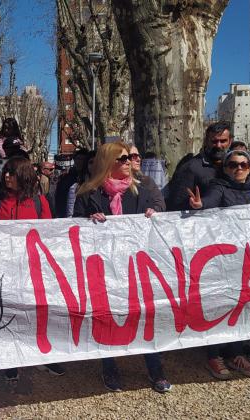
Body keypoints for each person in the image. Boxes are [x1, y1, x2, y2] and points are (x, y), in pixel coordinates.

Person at [72, 142, 170, 392]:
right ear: (107, 162)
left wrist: (155, 211)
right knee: (107, 316)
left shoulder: (144, 187)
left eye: (129, 158)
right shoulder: (87, 193)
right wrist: (87, 221)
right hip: (104, 269)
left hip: (139, 265)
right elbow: (73, 228)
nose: (128, 162)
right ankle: (110, 366)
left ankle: (155, 368)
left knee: (145, 313)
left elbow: (161, 207)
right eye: (122, 158)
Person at [187, 150, 250, 380]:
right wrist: (199, 205)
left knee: (241, 304)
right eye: (232, 165)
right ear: (225, 168)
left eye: (243, 165)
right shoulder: (219, 187)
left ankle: (235, 352)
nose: (238, 169)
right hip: (222, 259)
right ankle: (213, 354)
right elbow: (208, 203)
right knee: (218, 304)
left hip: (249, 258)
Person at [0, 157, 64, 380]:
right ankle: (12, 358)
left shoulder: (40, 202)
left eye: (12, 172)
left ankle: (43, 355)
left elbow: (48, 236)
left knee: (38, 310)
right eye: (5, 173)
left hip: (33, 268)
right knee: (10, 311)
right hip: (6, 269)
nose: (7, 176)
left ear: (24, 175)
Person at [166, 121, 232, 211]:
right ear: (206, 141)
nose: (218, 145)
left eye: (223, 141)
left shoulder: (236, 166)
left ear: (230, 141)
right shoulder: (191, 168)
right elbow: (176, 205)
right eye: (214, 141)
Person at [129, 144, 165, 212]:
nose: (138, 159)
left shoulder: (147, 181)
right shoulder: (110, 184)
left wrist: (154, 209)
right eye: (134, 156)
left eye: (139, 156)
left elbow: (160, 204)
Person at [55, 149, 89, 217]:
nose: (80, 162)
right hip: (66, 217)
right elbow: (59, 198)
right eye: (78, 159)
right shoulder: (65, 178)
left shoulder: (91, 179)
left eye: (83, 159)